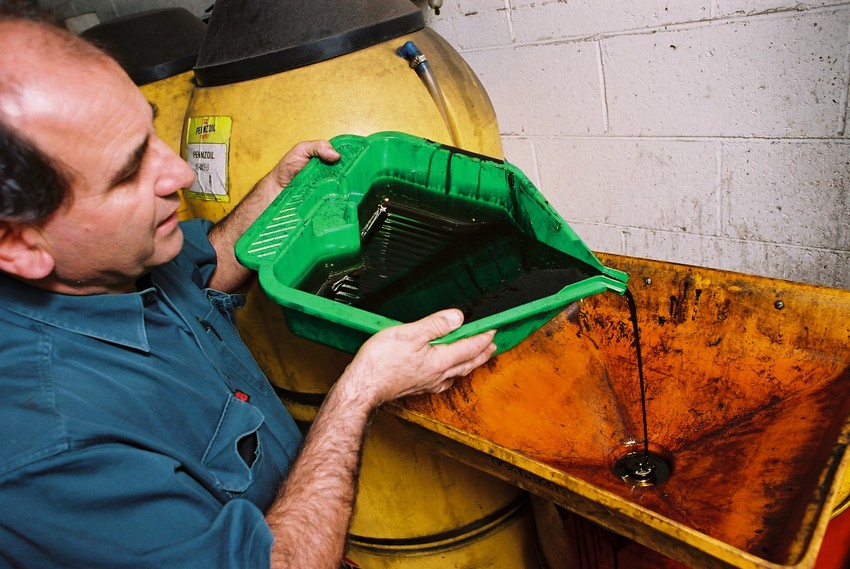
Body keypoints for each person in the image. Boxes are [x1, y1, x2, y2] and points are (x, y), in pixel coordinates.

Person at [0, 5, 497, 568]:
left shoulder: (104, 264)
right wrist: (358, 393)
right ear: (17, 243)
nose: (180, 176)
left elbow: (202, 264)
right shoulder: (51, 450)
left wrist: (273, 197)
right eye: (128, 170)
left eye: (151, 132)